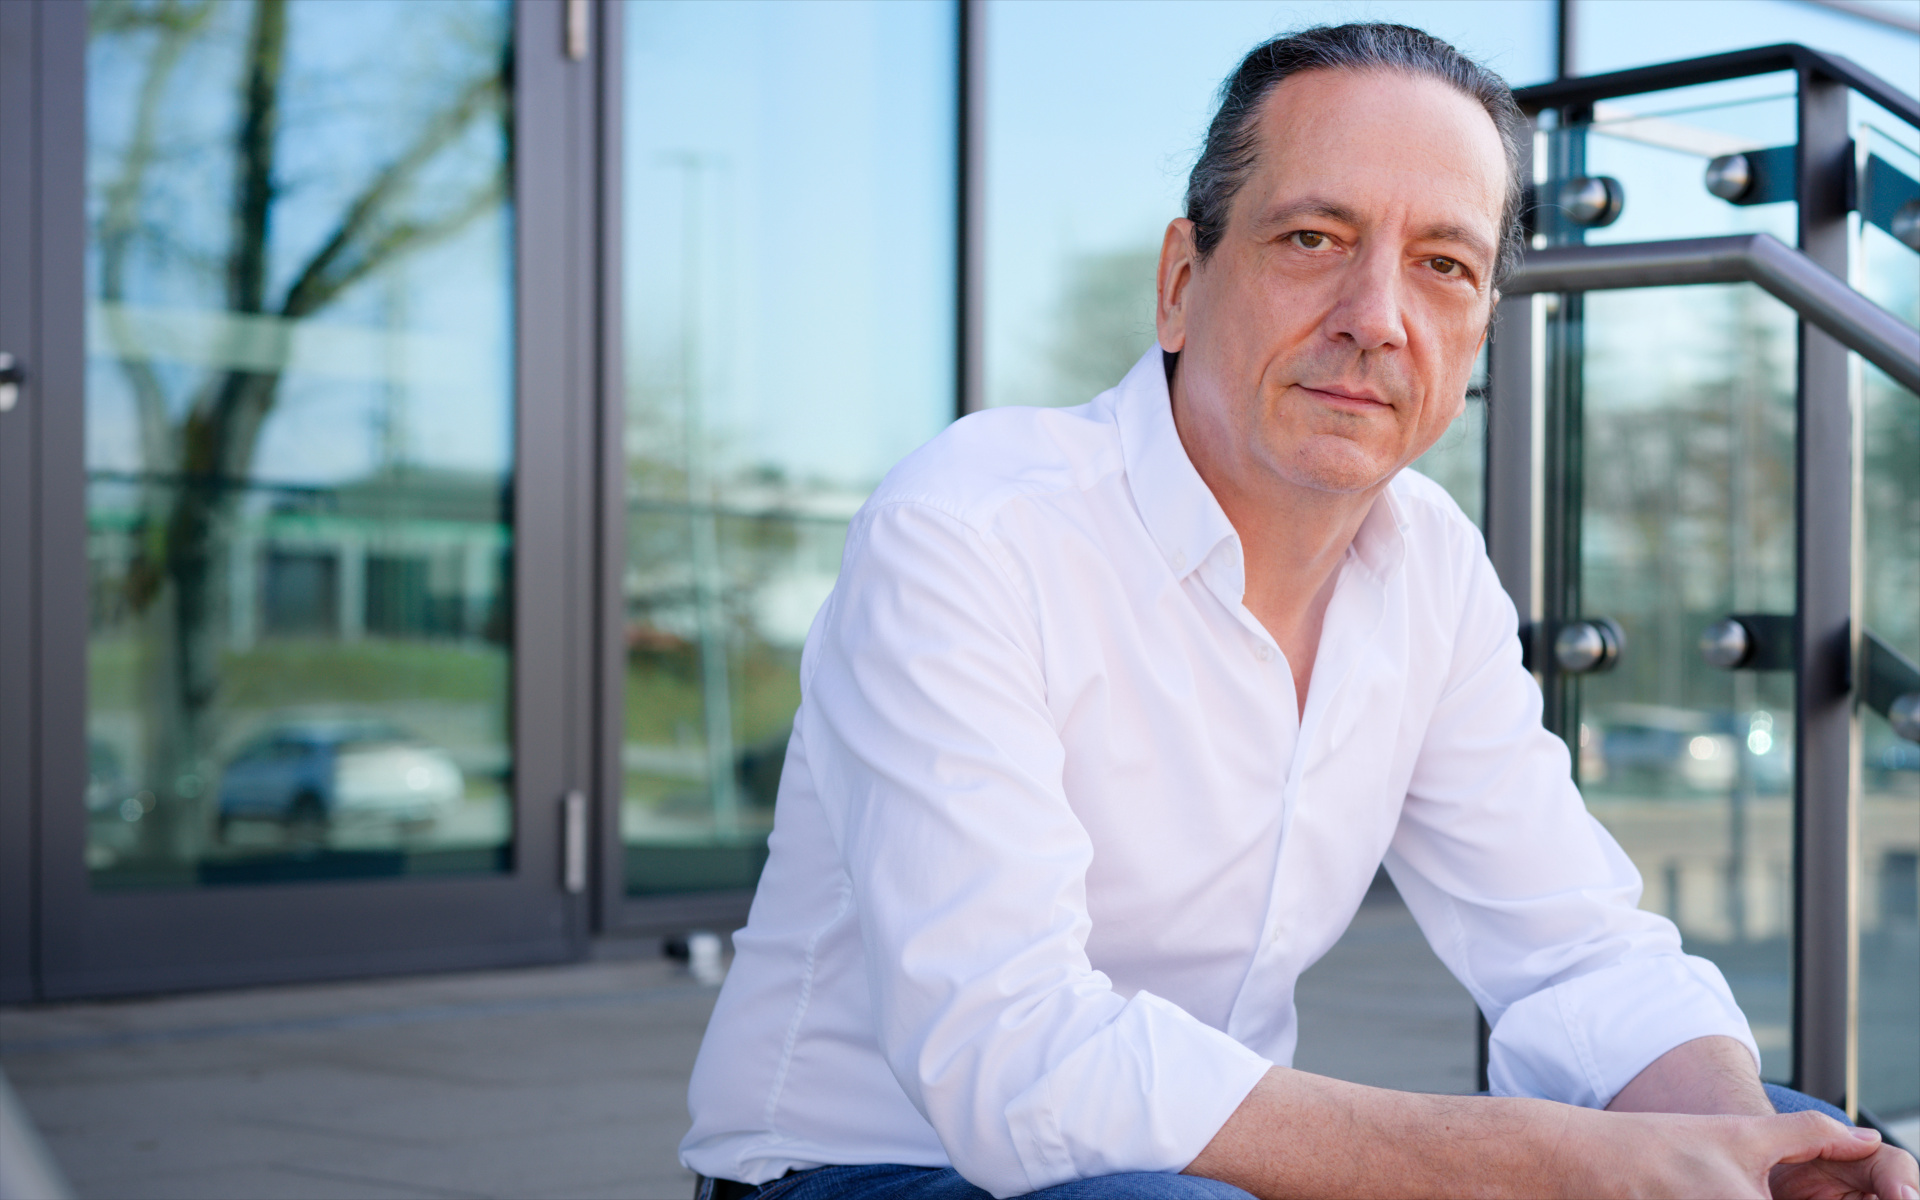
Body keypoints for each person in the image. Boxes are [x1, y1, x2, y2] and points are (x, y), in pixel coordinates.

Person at [680, 23, 1920, 1200]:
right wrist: (1569, 1163)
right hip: (861, 1167)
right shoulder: (970, 530)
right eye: (1314, 238)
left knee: (1782, 1133)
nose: (1375, 318)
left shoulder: (1431, 565)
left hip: (1195, 1169)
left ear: (1480, 335)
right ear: (1181, 283)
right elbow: (1015, 1061)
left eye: (1443, 266)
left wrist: (1737, 1145)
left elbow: (1575, 951)